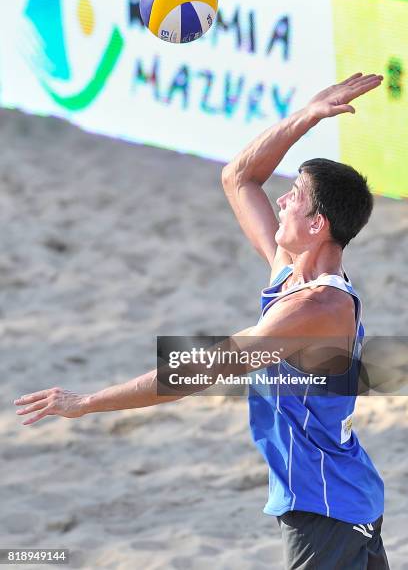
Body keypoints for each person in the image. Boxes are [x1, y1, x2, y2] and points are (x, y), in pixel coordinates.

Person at [14, 73, 389, 569]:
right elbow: (239, 177)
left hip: (325, 506)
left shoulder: (315, 309)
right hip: (343, 493)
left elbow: (195, 372)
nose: (282, 199)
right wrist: (307, 115)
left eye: (295, 194)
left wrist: (86, 403)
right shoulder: (290, 277)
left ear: (318, 224)